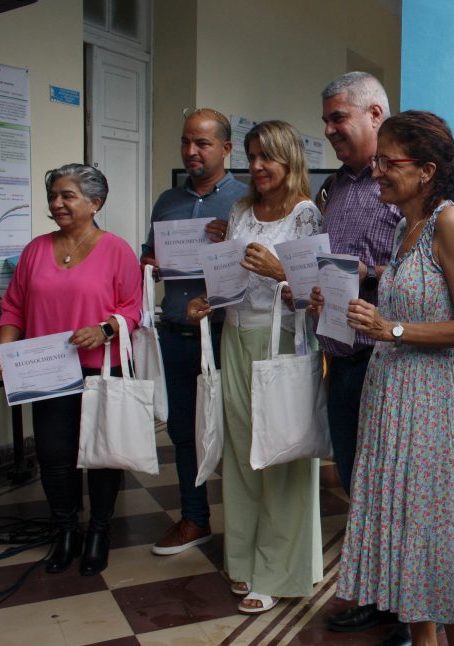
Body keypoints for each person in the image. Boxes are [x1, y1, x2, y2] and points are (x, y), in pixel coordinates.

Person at [315, 110, 454, 646]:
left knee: (441, 550)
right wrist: (342, 305)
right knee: (408, 539)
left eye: (389, 162)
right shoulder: (404, 228)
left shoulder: (450, 222)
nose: (378, 172)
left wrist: (390, 329)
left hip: (432, 406)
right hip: (392, 399)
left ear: (427, 170)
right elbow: (406, 303)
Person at [186, 120, 323, 615]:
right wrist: (207, 298)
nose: (258, 167)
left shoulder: (306, 214)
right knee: (243, 451)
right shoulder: (239, 209)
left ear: (289, 159)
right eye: (252, 157)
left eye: (268, 157)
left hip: (282, 340)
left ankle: (278, 571)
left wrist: (281, 272)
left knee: (281, 453)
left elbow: (315, 291)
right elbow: (228, 276)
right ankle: (242, 559)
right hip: (234, 335)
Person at [0, 164, 142, 576]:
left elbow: (133, 308)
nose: (57, 204)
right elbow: (13, 306)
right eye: (54, 195)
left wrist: (103, 329)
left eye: (67, 196)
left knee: (102, 457)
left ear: (95, 203)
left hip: (100, 368)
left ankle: (99, 533)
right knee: (54, 457)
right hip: (46, 371)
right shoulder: (36, 250)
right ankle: (66, 531)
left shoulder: (117, 250)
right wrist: (2, 351)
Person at [311, 71, 406, 640]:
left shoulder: (403, 184)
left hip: (384, 362)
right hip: (339, 359)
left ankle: (402, 606)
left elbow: (424, 269)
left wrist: (361, 274)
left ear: (375, 116)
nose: (328, 130)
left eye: (337, 117)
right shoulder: (335, 187)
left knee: (388, 486)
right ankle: (375, 594)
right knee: (355, 482)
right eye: (326, 119)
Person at [141, 108, 247, 556]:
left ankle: (244, 530)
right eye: (186, 142)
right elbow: (148, 259)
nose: (191, 152)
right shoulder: (167, 200)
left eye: (202, 143)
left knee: (239, 432)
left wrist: (230, 245)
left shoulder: (244, 201)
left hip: (227, 336)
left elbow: (261, 269)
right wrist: (153, 264)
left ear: (226, 148)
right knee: (184, 431)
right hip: (176, 333)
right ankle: (194, 519)